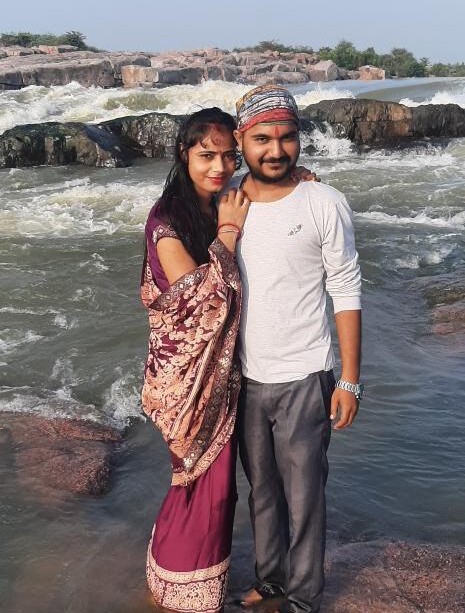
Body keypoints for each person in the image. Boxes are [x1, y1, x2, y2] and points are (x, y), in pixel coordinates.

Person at [140, 106, 317, 613]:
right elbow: (200, 300)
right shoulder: (168, 220)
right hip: (187, 378)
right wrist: (229, 233)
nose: (218, 167)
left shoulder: (220, 198)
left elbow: (266, 179)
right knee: (202, 482)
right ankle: (184, 592)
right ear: (184, 154)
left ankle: (183, 577)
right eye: (206, 155)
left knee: (217, 484)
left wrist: (295, 178)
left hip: (224, 370)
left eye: (227, 156)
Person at [231, 86, 363, 613]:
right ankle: (271, 581)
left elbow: (346, 289)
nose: (276, 150)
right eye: (262, 139)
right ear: (241, 140)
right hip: (244, 377)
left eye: (287, 138)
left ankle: (304, 600)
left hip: (306, 376)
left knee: (305, 497)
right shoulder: (226, 204)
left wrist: (350, 380)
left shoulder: (323, 202)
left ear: (299, 139)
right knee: (261, 491)